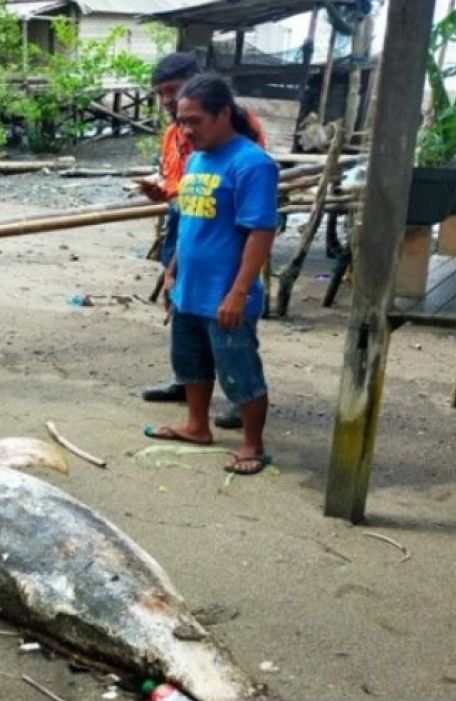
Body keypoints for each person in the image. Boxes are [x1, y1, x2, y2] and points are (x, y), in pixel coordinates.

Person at [143, 74, 279, 476]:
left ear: (224, 114)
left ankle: (252, 444)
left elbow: (261, 231)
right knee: (190, 364)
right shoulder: (197, 158)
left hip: (226, 293)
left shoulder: (252, 163)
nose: (186, 129)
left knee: (239, 370)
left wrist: (239, 292)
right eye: (182, 120)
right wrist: (172, 272)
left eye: (195, 120)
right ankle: (197, 426)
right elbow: (189, 224)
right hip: (189, 287)